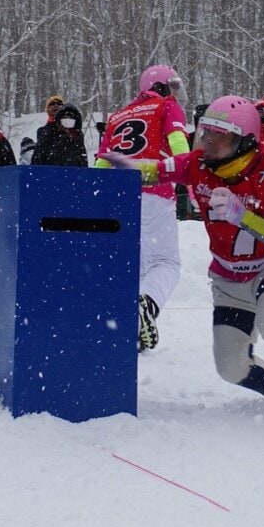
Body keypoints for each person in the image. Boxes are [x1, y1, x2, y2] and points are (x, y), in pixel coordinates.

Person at [104, 95, 264, 418]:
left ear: (245, 141)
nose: (209, 142)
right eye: (206, 132)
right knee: (231, 367)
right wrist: (130, 167)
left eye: (220, 135)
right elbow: (157, 171)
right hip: (229, 275)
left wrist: (243, 216)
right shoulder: (196, 163)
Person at [95, 64, 191, 351]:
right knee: (166, 263)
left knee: (132, 266)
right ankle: (146, 307)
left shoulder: (119, 115)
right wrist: (192, 172)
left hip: (118, 198)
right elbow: (177, 141)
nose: (176, 92)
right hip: (153, 190)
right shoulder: (166, 106)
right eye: (172, 86)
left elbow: (103, 162)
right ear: (161, 86)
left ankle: (129, 328)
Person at [33, 102, 89, 167]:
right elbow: (37, 160)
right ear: (59, 121)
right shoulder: (48, 134)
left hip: (73, 175)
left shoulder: (77, 138)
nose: (67, 125)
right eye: (64, 120)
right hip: (50, 174)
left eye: (71, 121)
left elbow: (83, 162)